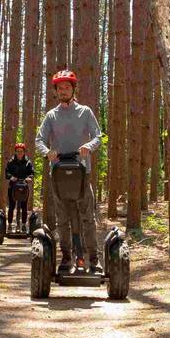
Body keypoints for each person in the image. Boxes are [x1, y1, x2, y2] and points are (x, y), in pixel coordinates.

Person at [34, 69, 103, 274]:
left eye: (67, 87)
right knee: (62, 219)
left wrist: (89, 146)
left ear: (74, 89)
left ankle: (93, 259)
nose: (63, 90)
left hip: (82, 173)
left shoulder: (85, 112)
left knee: (87, 217)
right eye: (60, 88)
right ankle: (66, 258)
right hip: (59, 174)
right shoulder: (51, 116)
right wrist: (47, 152)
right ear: (55, 91)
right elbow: (39, 140)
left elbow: (98, 136)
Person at [4, 143, 34, 229]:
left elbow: (31, 173)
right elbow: (7, 173)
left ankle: (23, 225)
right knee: (12, 205)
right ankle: (9, 225)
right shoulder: (11, 162)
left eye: (21, 151)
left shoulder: (28, 162)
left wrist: (29, 178)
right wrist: (11, 177)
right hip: (13, 186)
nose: (19, 153)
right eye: (18, 151)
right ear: (15, 152)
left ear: (24, 152)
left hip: (24, 186)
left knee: (24, 206)